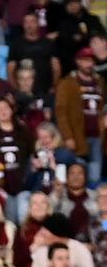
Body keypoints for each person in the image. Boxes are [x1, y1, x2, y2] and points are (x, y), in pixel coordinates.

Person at [55, 45, 106, 183]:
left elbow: (103, 107)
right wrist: (68, 136)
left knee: (95, 176)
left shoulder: (100, 82)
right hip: (77, 137)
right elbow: (61, 112)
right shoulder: (67, 83)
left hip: (97, 136)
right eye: (85, 60)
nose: (89, 64)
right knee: (78, 176)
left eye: (91, 61)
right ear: (78, 61)